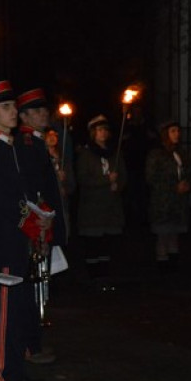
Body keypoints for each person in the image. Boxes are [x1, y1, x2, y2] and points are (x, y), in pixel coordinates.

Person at [0, 81, 42, 381]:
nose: (14, 111)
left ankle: (13, 367)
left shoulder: (8, 146)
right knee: (4, 312)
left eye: (14, 106)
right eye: (5, 107)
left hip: (16, 241)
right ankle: (2, 373)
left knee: (16, 309)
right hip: (2, 242)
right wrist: (26, 217)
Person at [15, 87, 66, 364]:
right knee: (32, 284)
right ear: (24, 116)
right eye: (36, 111)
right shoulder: (26, 144)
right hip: (34, 223)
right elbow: (31, 190)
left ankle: (33, 343)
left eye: (44, 110)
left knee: (38, 283)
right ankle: (29, 346)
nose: (43, 114)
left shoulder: (36, 142)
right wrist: (41, 219)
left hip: (41, 220)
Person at [76, 115, 127, 287]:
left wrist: (117, 184)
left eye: (105, 130)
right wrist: (106, 180)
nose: (103, 133)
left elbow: (123, 175)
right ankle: (94, 276)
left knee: (107, 242)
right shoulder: (86, 154)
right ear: (93, 133)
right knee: (93, 242)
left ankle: (106, 274)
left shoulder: (115, 152)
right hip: (92, 206)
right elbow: (83, 179)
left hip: (110, 206)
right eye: (99, 130)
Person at [145, 120, 191, 271]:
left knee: (174, 235)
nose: (177, 134)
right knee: (163, 235)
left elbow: (188, 172)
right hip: (163, 202)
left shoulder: (180, 154)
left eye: (178, 131)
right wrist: (173, 187)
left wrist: (187, 183)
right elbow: (151, 178)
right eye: (173, 131)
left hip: (178, 203)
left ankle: (173, 266)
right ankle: (163, 266)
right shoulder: (156, 154)